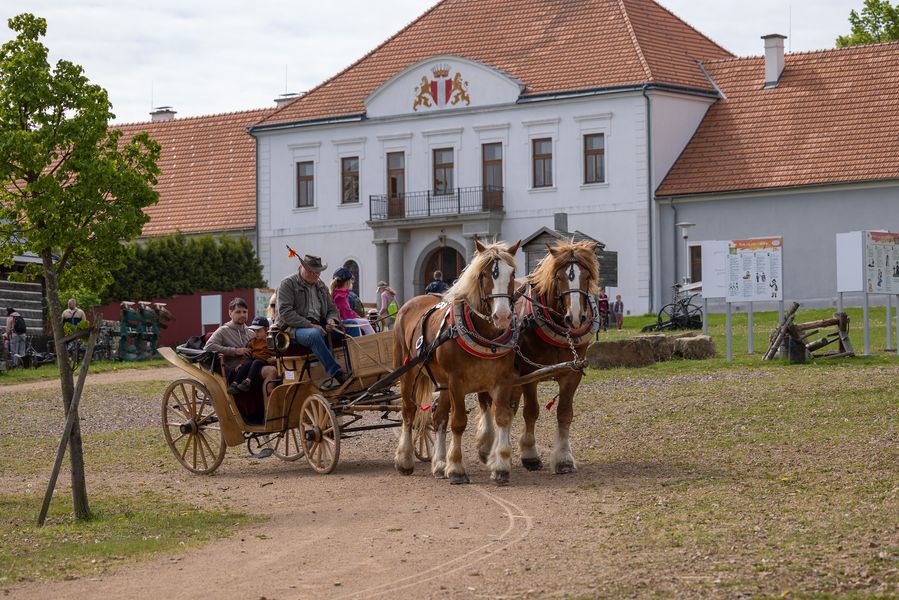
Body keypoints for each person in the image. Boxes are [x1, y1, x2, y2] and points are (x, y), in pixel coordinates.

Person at [276, 254, 348, 391]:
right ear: (302, 268)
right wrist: (309, 325)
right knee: (314, 335)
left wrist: (331, 320)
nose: (315, 275)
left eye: (317, 272)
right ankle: (337, 373)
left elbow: (332, 309)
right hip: (293, 328)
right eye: (311, 271)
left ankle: (355, 367)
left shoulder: (321, 286)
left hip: (319, 325)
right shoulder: (288, 284)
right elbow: (286, 314)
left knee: (351, 326)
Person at [227, 317, 275, 395]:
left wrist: (274, 359)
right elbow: (247, 353)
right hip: (252, 359)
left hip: (263, 360)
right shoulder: (252, 342)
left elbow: (274, 353)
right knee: (247, 362)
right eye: (254, 331)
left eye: (258, 331)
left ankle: (248, 382)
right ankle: (235, 383)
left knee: (256, 362)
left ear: (266, 329)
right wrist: (241, 363)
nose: (256, 333)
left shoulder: (270, 341)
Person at [330, 267, 374, 337]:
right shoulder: (340, 296)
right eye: (350, 280)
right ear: (347, 282)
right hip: (342, 321)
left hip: (344, 319)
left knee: (363, 322)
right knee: (365, 322)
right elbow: (346, 313)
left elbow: (348, 311)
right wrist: (358, 317)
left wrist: (357, 316)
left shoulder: (340, 293)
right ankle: (373, 340)